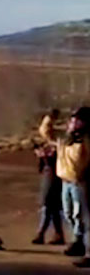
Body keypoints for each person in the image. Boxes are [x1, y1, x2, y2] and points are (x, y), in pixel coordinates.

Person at [58, 107, 90, 257]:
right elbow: (46, 134)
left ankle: (79, 241)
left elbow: (80, 160)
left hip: (78, 180)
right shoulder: (68, 139)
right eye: (72, 120)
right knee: (68, 212)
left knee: (79, 213)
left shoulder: (85, 140)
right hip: (65, 179)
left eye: (77, 120)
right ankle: (77, 239)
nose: (73, 122)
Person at [34, 109, 65, 245]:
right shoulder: (53, 140)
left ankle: (41, 234)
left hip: (55, 174)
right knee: (53, 206)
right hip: (52, 173)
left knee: (48, 204)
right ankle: (58, 234)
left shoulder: (59, 139)